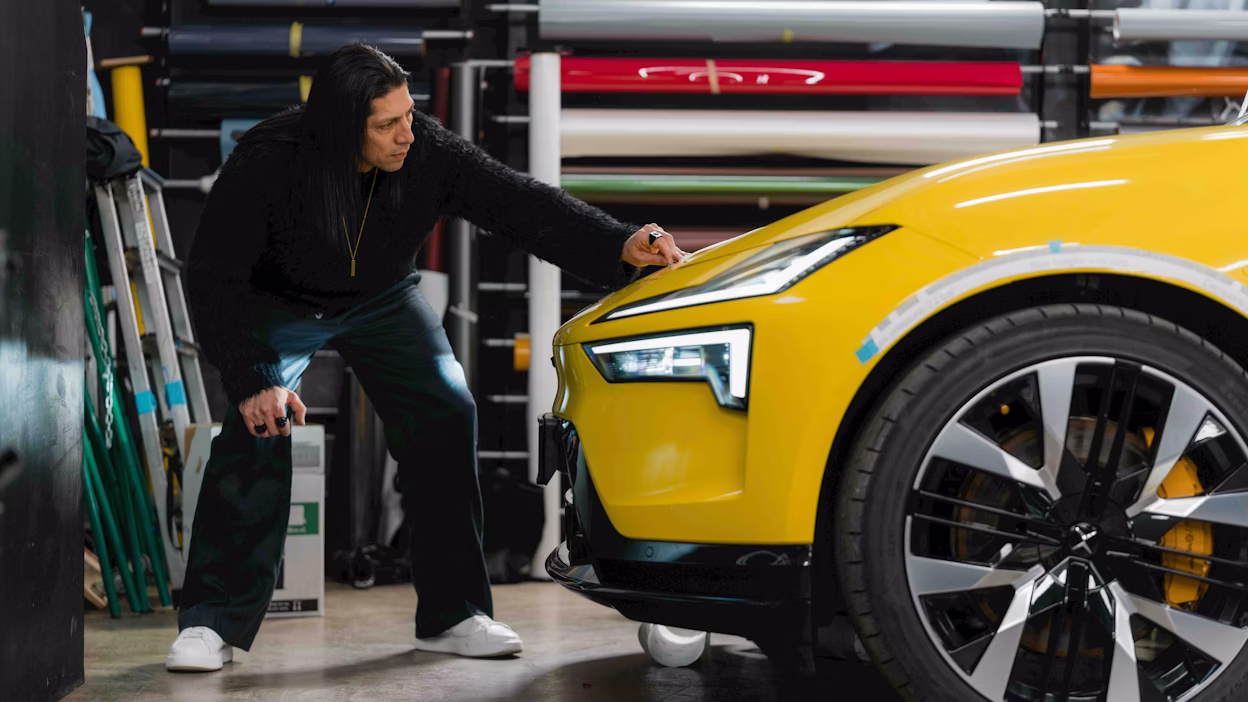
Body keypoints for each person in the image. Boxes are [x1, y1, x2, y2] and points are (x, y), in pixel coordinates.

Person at [166, 43, 686, 672]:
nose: (405, 133)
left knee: (445, 409)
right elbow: (215, 276)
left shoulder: (427, 150)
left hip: (383, 299)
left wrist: (617, 243)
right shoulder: (268, 161)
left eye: (407, 115)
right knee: (259, 426)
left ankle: (453, 614)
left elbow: (517, 203)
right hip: (281, 304)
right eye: (386, 124)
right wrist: (253, 377)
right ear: (340, 128)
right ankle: (210, 623)